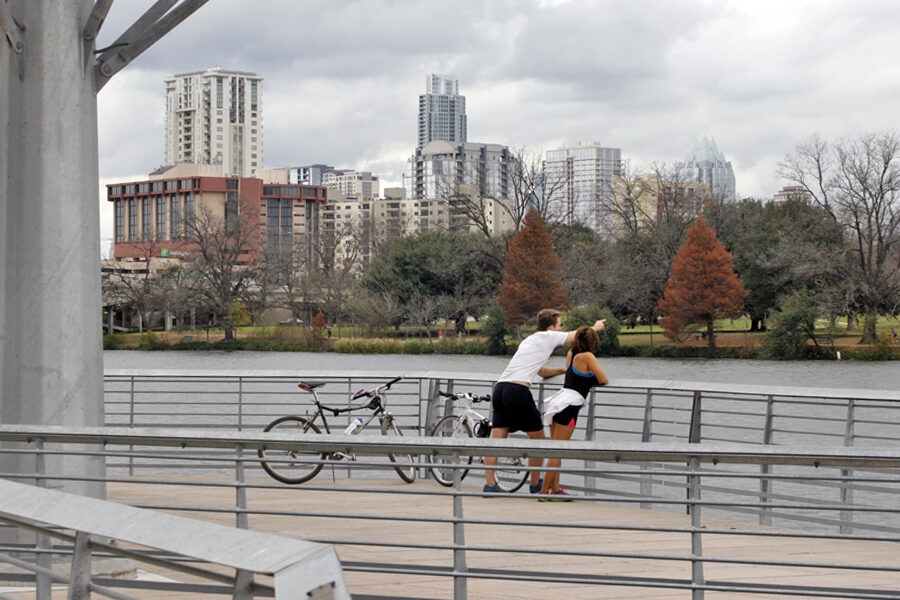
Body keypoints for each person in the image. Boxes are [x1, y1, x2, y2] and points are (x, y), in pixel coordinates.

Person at [483, 309, 605, 494]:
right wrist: (596, 327)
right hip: (517, 390)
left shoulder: (530, 340)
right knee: (539, 440)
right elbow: (580, 335)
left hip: (501, 388)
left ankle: (490, 485)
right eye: (560, 325)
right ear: (551, 327)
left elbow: (541, 372)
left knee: (497, 439)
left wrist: (565, 372)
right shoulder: (549, 336)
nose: (561, 328)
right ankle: (535, 484)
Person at [538, 326, 608, 501]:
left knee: (556, 450)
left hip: (558, 402)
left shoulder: (571, 354)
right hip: (569, 407)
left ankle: (555, 490)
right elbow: (603, 379)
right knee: (557, 452)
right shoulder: (588, 357)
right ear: (593, 343)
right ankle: (544, 491)